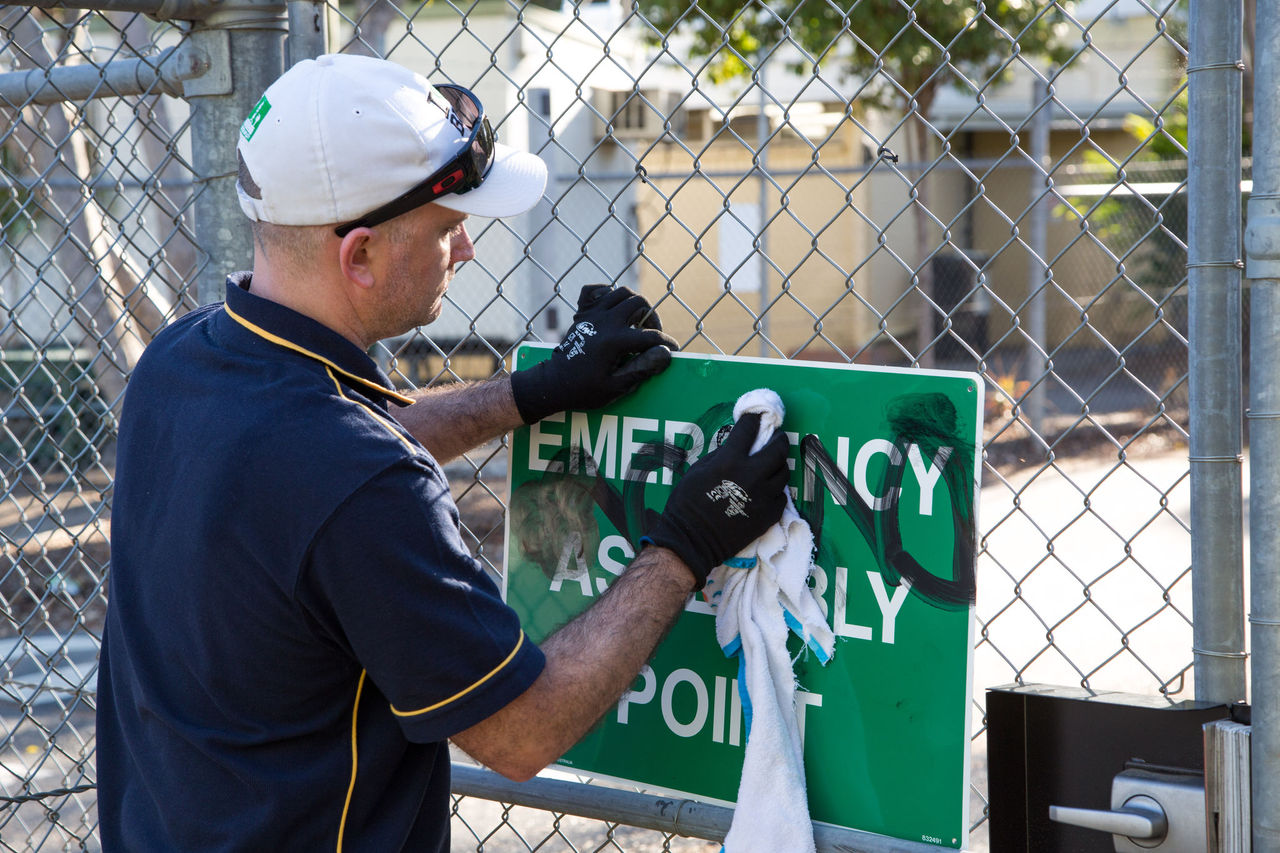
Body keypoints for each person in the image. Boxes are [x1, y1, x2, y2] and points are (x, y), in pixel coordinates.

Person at [96, 53, 790, 852]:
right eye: (448, 227)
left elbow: (322, 471)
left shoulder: (185, 359)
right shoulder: (355, 479)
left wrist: (533, 392)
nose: (464, 252)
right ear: (357, 256)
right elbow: (524, 730)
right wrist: (686, 542)